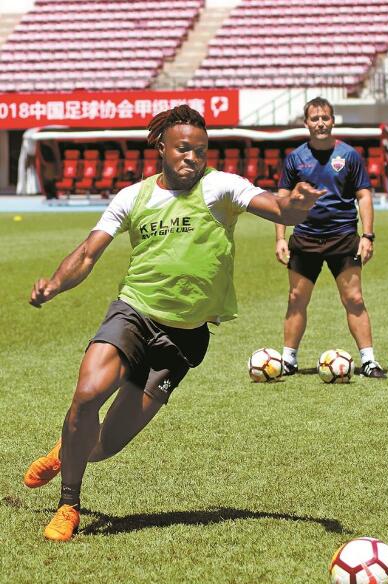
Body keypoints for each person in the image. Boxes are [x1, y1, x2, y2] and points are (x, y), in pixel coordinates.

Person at [24, 105, 323, 542]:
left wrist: (295, 207)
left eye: (200, 150)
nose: (193, 158)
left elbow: (278, 208)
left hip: (183, 339)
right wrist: (54, 284)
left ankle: (64, 451)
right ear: (161, 147)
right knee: (87, 395)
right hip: (134, 313)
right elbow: (88, 252)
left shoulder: (220, 187)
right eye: (184, 149)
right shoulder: (133, 197)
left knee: (106, 444)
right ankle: (69, 504)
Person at [275, 97, 386, 378]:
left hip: (343, 236)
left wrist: (368, 235)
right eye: (315, 118)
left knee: (354, 299)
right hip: (305, 236)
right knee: (296, 298)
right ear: (306, 123)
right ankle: (288, 360)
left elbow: (364, 196)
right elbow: (282, 199)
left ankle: (369, 361)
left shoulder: (349, 155)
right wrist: (280, 238)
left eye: (325, 117)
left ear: (333, 121)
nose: (320, 123)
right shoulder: (295, 158)